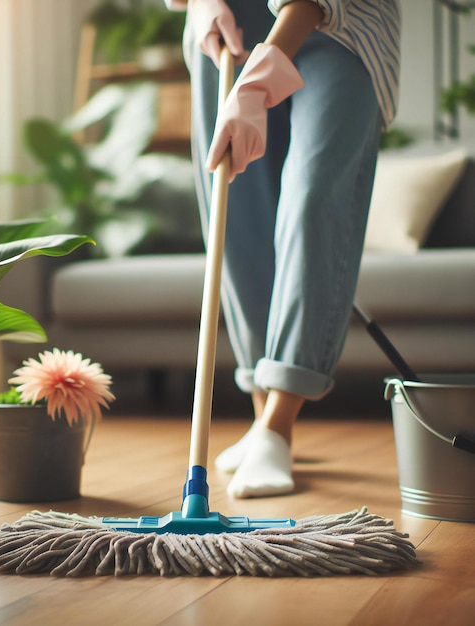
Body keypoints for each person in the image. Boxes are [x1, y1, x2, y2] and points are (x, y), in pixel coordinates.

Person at [164, 0, 401, 498]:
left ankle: (279, 424)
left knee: (314, 199)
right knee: (235, 209)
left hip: (344, 24)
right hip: (227, 21)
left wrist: (256, 83)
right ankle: (261, 422)